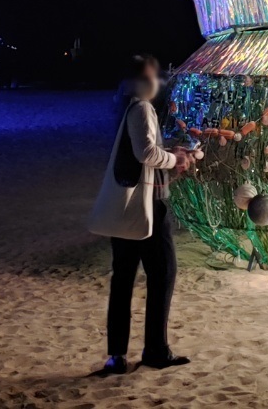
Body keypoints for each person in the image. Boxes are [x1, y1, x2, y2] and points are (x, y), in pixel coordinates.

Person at [87, 55, 191, 373]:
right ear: (139, 80)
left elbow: (135, 157)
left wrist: (167, 157)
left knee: (123, 280)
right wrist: (175, 160)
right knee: (163, 275)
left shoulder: (120, 107)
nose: (157, 81)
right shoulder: (142, 108)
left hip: (124, 207)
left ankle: (116, 355)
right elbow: (145, 152)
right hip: (148, 207)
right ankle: (155, 350)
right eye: (151, 76)